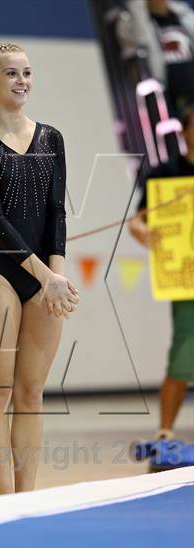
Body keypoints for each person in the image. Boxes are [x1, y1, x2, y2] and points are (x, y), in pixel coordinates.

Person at [0, 43, 79, 494]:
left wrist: (57, 277)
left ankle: (26, 500)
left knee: (31, 394)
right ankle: (3, 500)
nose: (22, 81)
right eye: (11, 74)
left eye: (27, 73)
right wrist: (44, 277)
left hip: (45, 278)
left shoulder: (51, 139)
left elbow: (56, 214)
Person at [129, 104, 194, 439]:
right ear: (183, 131)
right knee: (184, 350)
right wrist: (141, 230)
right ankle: (166, 432)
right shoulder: (165, 173)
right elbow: (138, 219)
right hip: (186, 280)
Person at [117, 0, 194, 113]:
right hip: (166, 95)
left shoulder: (184, 15)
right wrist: (137, 10)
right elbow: (137, 39)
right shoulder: (136, 20)